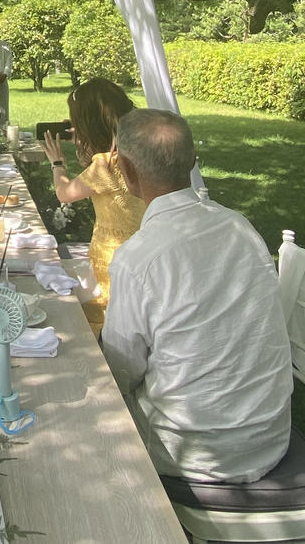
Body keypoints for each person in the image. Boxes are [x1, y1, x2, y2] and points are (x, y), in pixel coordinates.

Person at [101, 108, 292, 483]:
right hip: (269, 438)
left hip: (192, 454)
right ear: (193, 162)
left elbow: (120, 373)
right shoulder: (242, 228)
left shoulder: (138, 258)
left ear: (125, 170)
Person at [40, 78, 145, 333]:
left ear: (89, 125)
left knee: (114, 315)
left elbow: (65, 192)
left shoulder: (104, 166)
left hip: (113, 254)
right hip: (143, 248)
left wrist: (57, 163)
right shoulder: (140, 152)